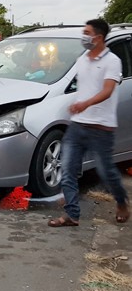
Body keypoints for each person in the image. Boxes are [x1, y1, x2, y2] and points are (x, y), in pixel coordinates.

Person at [48, 19, 129, 227]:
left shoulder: (112, 61)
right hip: (77, 126)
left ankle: (121, 202)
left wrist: (85, 104)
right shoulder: (83, 58)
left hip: (101, 127)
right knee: (67, 170)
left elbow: (107, 90)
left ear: (99, 37)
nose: (83, 36)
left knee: (106, 172)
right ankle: (72, 214)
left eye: (87, 32)